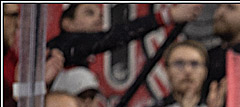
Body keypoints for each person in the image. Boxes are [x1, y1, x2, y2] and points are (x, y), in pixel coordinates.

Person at [47, 3, 201, 68]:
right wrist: (167, 16)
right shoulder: (62, 46)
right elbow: (113, 37)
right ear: (68, 24)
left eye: (100, 15)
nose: (98, 19)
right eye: (89, 13)